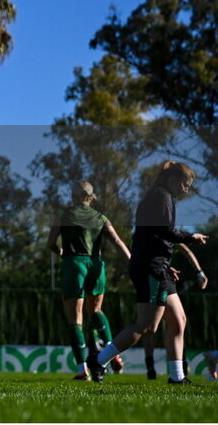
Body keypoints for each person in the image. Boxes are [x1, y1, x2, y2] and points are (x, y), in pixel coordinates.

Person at [88, 161, 208, 384]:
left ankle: (177, 377)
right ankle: (99, 360)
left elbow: (152, 236)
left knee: (178, 319)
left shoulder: (158, 196)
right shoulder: (162, 196)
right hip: (152, 268)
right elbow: (165, 231)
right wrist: (192, 237)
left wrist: (164, 262)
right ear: (173, 180)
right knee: (146, 326)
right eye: (185, 184)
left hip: (155, 265)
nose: (186, 190)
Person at [46, 181, 130, 381]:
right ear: (91, 197)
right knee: (97, 311)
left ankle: (83, 371)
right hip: (96, 265)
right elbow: (118, 241)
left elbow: (50, 243)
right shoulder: (101, 217)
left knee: (76, 320)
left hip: (74, 264)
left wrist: (61, 252)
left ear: (73, 196)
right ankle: (113, 353)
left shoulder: (63, 214)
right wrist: (133, 262)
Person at [140, 244, 208, 379]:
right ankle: (101, 360)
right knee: (149, 327)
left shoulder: (151, 231)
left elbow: (184, 249)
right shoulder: (159, 230)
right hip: (156, 277)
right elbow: (185, 249)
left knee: (178, 321)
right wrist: (199, 272)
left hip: (162, 276)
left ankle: (176, 371)